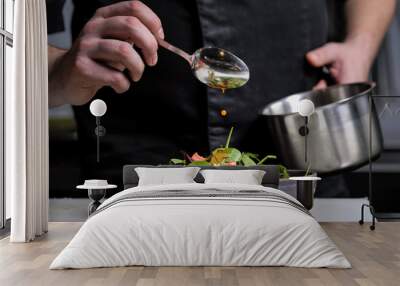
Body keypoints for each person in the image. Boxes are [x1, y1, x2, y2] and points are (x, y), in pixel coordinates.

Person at [47, 0, 395, 190]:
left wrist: (361, 45)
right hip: (136, 178)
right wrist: (59, 71)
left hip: (303, 155)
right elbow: (12, 47)